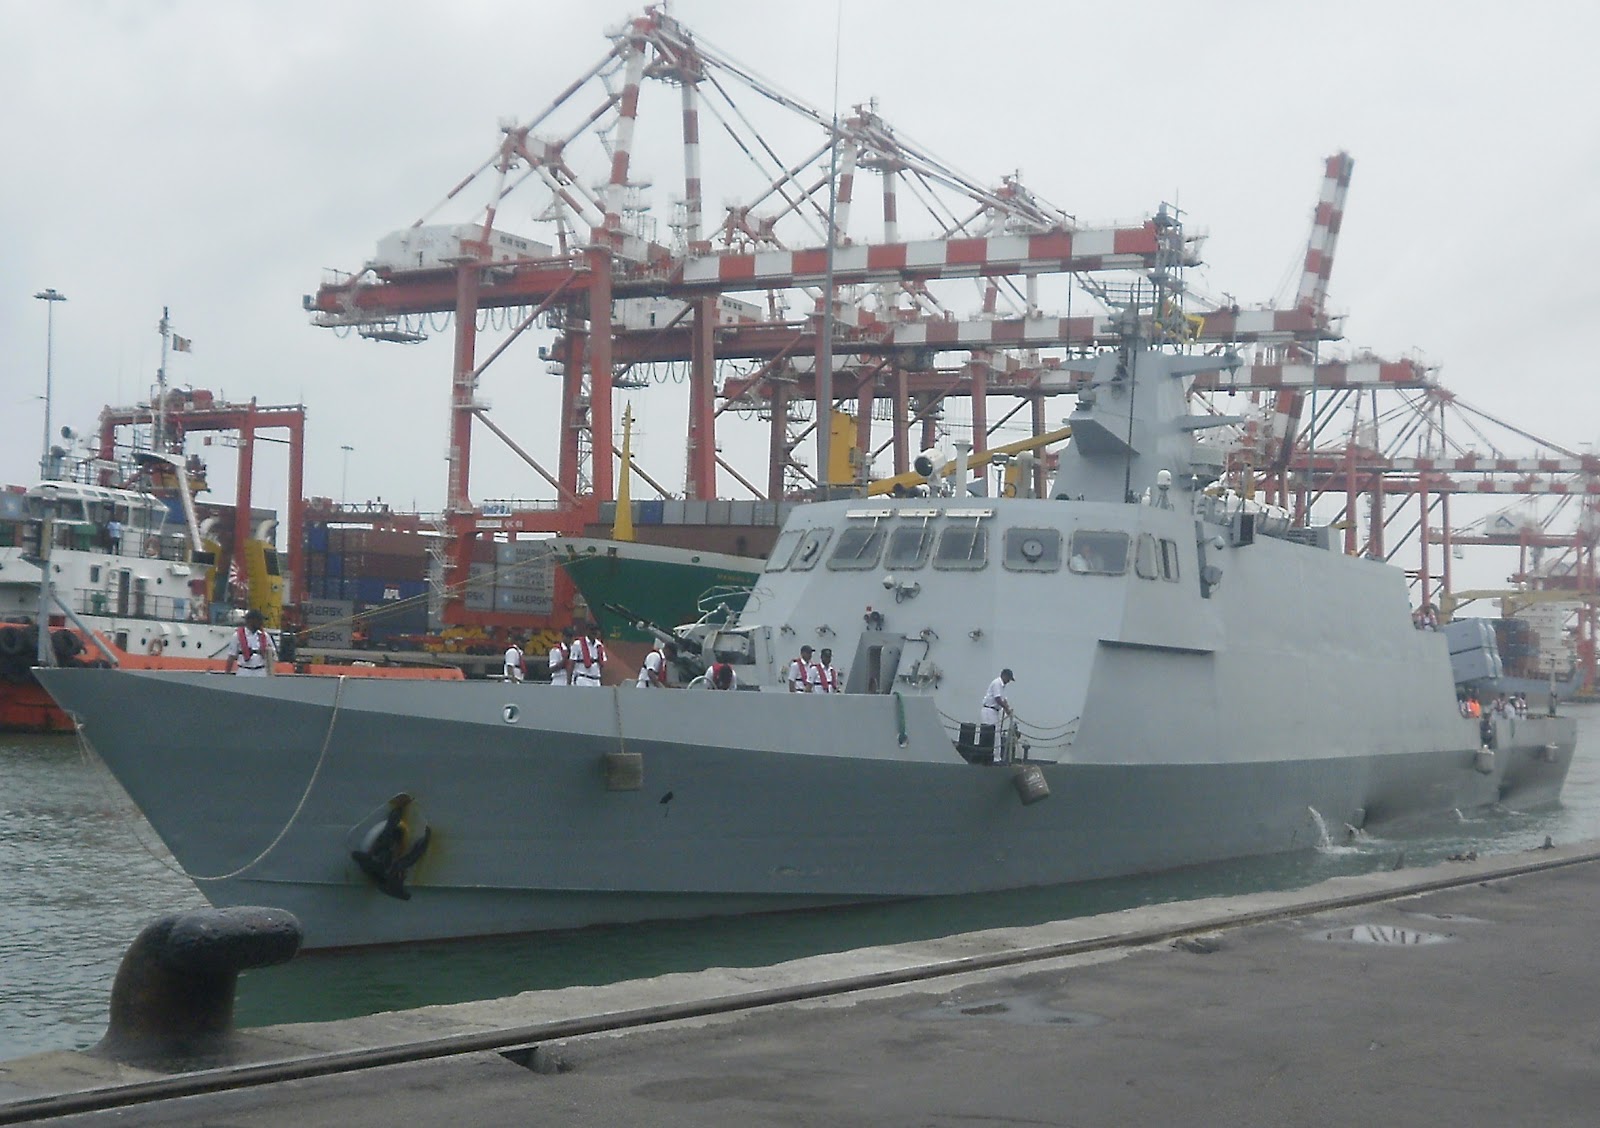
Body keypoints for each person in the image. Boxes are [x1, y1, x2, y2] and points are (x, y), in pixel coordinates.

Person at [224, 609, 276, 676]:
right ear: (251, 621)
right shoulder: (237, 636)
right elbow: (231, 656)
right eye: (259, 620)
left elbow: (273, 654)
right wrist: (227, 674)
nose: (261, 623)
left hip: (260, 671)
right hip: (244, 671)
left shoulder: (265, 636)